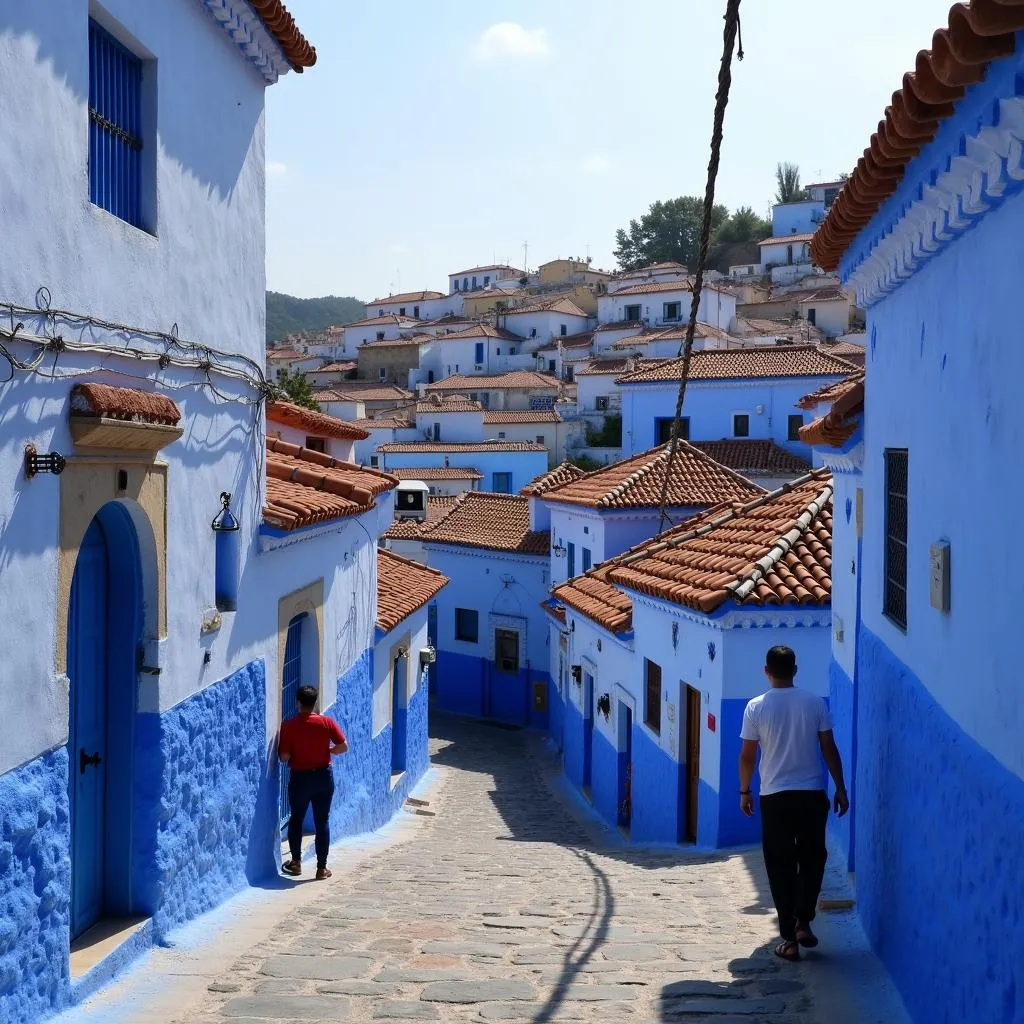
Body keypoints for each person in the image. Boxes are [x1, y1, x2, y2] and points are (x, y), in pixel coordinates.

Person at [738, 645, 849, 962]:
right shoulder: (815, 704)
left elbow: (747, 755)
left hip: (774, 796)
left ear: (766, 671)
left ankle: (789, 939)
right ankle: (803, 921)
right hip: (811, 794)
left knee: (780, 863)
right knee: (813, 857)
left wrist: (744, 790)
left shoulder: (755, 707)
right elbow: (829, 749)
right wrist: (840, 787)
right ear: (795, 671)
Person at [278, 684, 348, 880]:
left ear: (298, 702)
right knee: (322, 820)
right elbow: (343, 746)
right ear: (315, 702)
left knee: (297, 818)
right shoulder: (326, 723)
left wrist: (294, 752)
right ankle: (321, 868)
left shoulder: (289, 726)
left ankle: (296, 863)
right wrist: (329, 751)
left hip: (300, 778)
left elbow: (283, 757)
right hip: (323, 777)